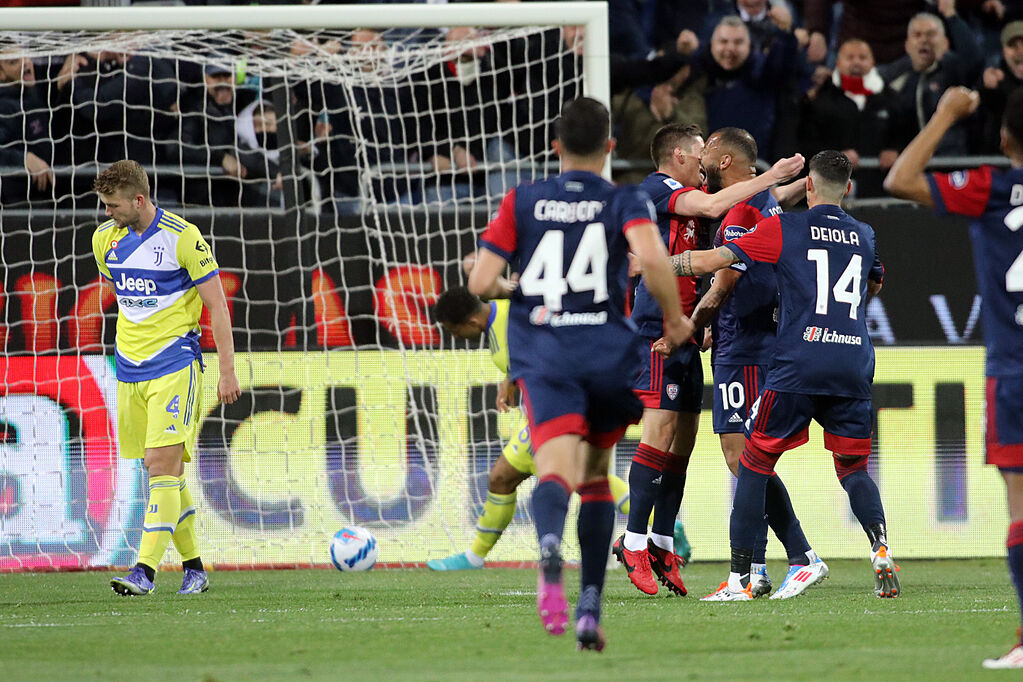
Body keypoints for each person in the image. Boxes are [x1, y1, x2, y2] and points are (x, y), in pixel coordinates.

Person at [467, 97, 691, 651]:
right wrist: (676, 318)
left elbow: (480, 282)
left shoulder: (523, 199)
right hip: (607, 354)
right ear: (611, 148)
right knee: (595, 478)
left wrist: (515, 289)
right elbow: (655, 260)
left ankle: (548, 543)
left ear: (555, 147)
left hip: (546, 356)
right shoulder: (626, 199)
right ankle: (590, 605)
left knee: (553, 472)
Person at [671, 150, 896, 602]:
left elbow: (714, 260)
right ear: (847, 189)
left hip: (799, 361)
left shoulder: (784, 228)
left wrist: (659, 264)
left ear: (808, 186)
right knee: (853, 468)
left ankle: (740, 578)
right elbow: (874, 283)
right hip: (853, 364)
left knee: (753, 464)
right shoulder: (865, 234)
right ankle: (881, 548)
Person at [612, 122, 803, 598]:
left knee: (684, 442)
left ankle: (660, 542)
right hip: (656, 325)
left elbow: (751, 212)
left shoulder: (704, 196)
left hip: (687, 330)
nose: (703, 160)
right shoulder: (658, 189)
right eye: (698, 151)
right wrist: (771, 174)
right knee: (658, 430)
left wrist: (806, 183)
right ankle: (633, 541)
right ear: (678, 154)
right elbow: (719, 204)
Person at [883, 86, 1023, 669]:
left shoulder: (991, 187)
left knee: (1020, 507)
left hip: (1014, 370)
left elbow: (899, 180)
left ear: (1004, 137)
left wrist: (945, 113)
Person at [427, 285, 687, 570]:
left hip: (558, 409)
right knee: (549, 476)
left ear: (471, 322)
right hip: (554, 410)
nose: (456, 337)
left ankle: (475, 557)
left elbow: (550, 351)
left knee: (539, 477)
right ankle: (666, 525)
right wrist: (509, 380)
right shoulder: (501, 317)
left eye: (454, 331)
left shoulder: (510, 321)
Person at [687, 126, 827, 599]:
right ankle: (762, 567)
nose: (701, 157)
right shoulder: (763, 202)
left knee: (743, 457)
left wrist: (688, 326)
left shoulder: (740, 213)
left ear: (724, 162)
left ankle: (792, 558)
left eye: (707, 151)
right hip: (751, 341)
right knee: (750, 459)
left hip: (744, 348)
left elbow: (723, 283)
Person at [93, 160, 242, 596]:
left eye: (113, 205)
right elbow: (123, 296)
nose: (107, 213)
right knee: (166, 474)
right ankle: (195, 568)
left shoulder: (184, 237)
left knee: (160, 466)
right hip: (129, 368)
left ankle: (145, 571)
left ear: (138, 200)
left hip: (175, 364)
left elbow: (216, 306)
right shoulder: (104, 240)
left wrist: (226, 371)